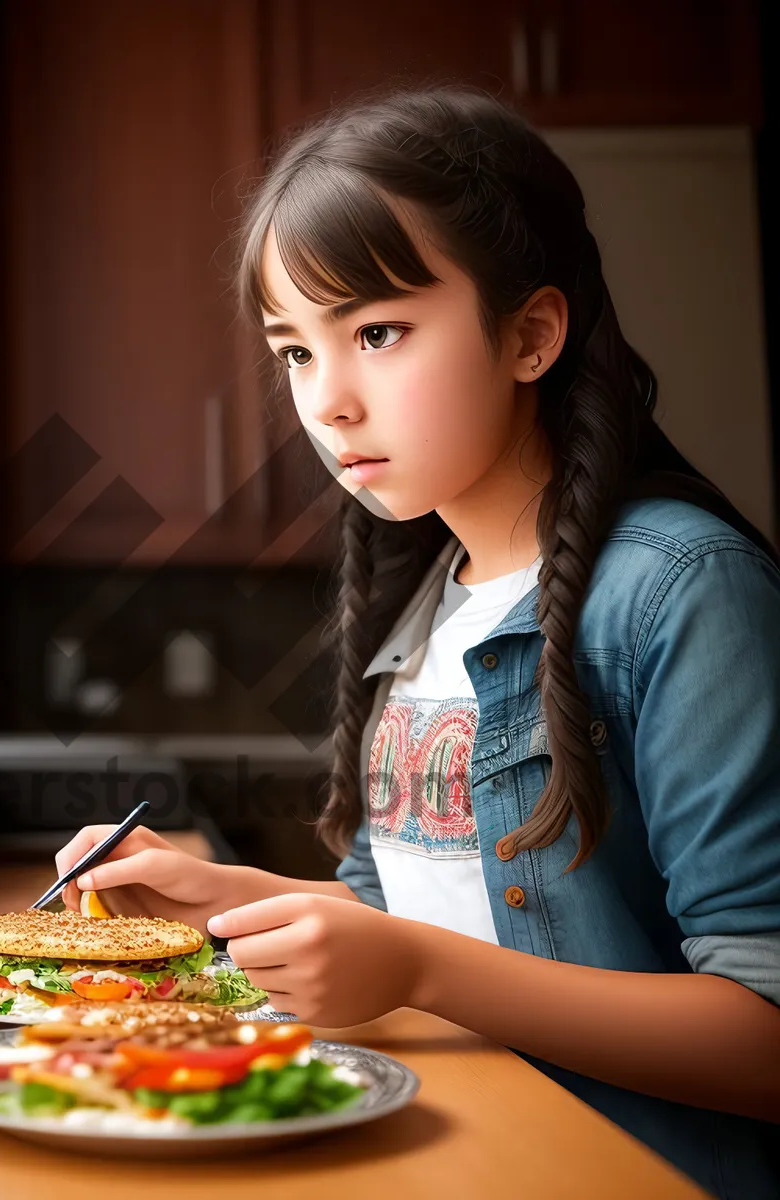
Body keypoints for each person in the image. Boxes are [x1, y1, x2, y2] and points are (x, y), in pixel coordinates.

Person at [54, 88, 780, 1197]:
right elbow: (420, 911)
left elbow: (763, 1032)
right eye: (295, 351)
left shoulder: (682, 591)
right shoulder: (427, 598)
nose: (327, 402)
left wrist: (421, 970)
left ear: (531, 334)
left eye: (377, 332)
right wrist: (220, 898)